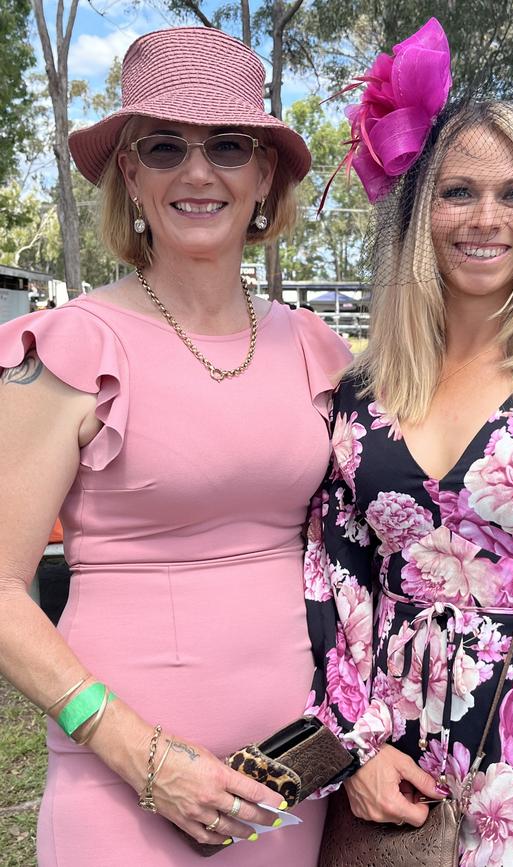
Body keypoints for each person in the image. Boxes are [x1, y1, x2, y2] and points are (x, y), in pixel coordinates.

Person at [0, 26, 350, 867]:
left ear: (264, 172)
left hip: (290, 788)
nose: (198, 173)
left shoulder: (316, 347)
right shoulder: (68, 350)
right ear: (130, 172)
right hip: (120, 792)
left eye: (228, 145)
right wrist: (140, 756)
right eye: (164, 147)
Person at [304, 20, 513, 867]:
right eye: (458, 192)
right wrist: (350, 750)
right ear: (421, 210)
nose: (486, 218)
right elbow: (332, 573)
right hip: (393, 764)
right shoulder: (363, 389)